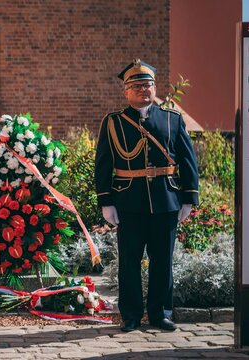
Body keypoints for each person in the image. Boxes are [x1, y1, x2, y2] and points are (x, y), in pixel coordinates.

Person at [95, 60, 199, 332]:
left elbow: (188, 161)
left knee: (163, 261)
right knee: (129, 261)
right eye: (137, 85)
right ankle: (130, 315)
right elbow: (104, 163)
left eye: (148, 85)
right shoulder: (113, 122)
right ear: (125, 92)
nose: (144, 89)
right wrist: (106, 201)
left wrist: (188, 198)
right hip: (128, 201)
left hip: (166, 200)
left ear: (155, 89)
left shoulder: (172, 119)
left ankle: (160, 313)